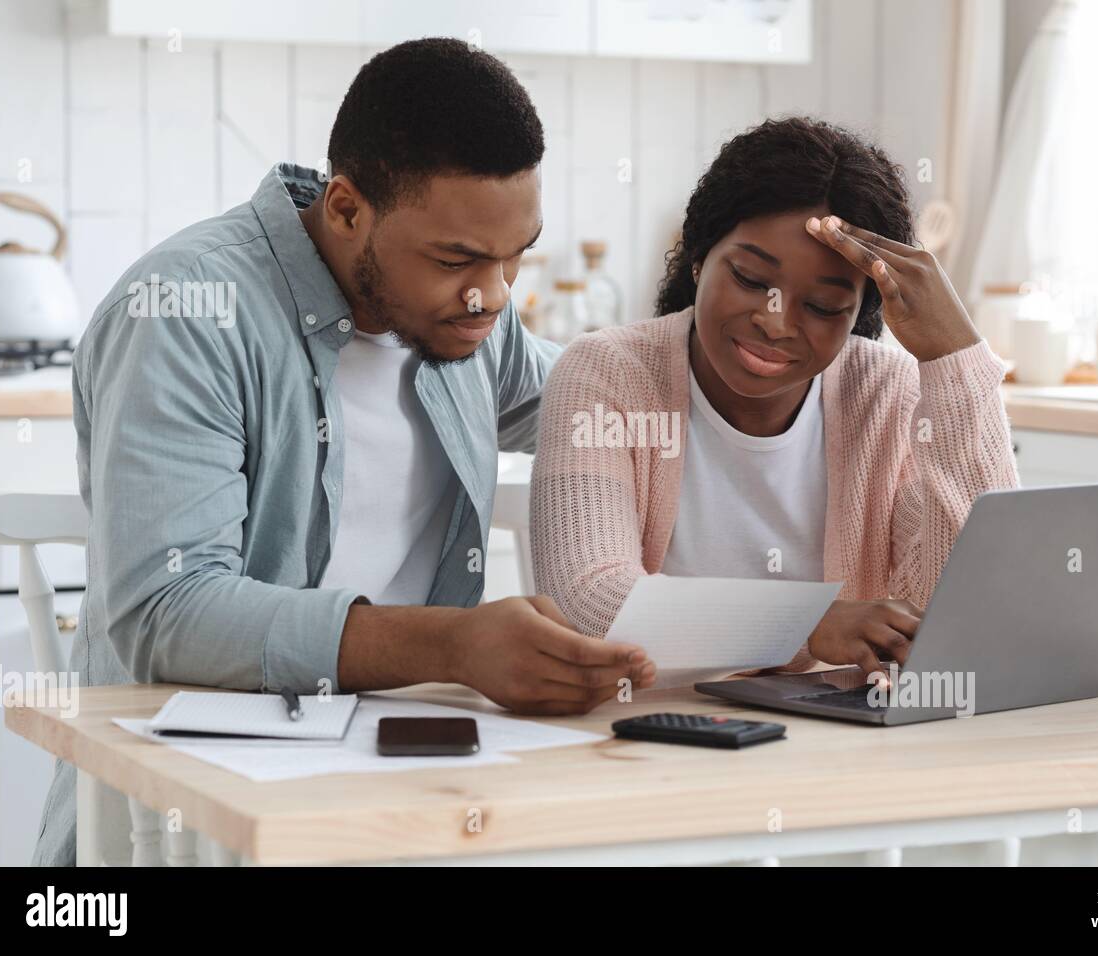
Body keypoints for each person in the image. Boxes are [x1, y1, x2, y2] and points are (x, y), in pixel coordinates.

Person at [35, 38, 654, 866]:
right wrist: (453, 644)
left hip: (397, 799)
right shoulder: (185, 314)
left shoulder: (470, 318)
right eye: (458, 259)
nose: (495, 296)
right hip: (186, 823)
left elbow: (618, 410)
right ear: (346, 208)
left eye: (516, 257)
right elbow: (165, 612)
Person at [531, 117, 1018, 678]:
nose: (775, 322)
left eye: (822, 307)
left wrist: (953, 360)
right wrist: (807, 623)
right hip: (651, 731)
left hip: (831, 743)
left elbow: (963, 609)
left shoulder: (889, 395)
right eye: (749, 278)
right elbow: (584, 600)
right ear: (699, 256)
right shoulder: (607, 374)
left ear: (858, 315)